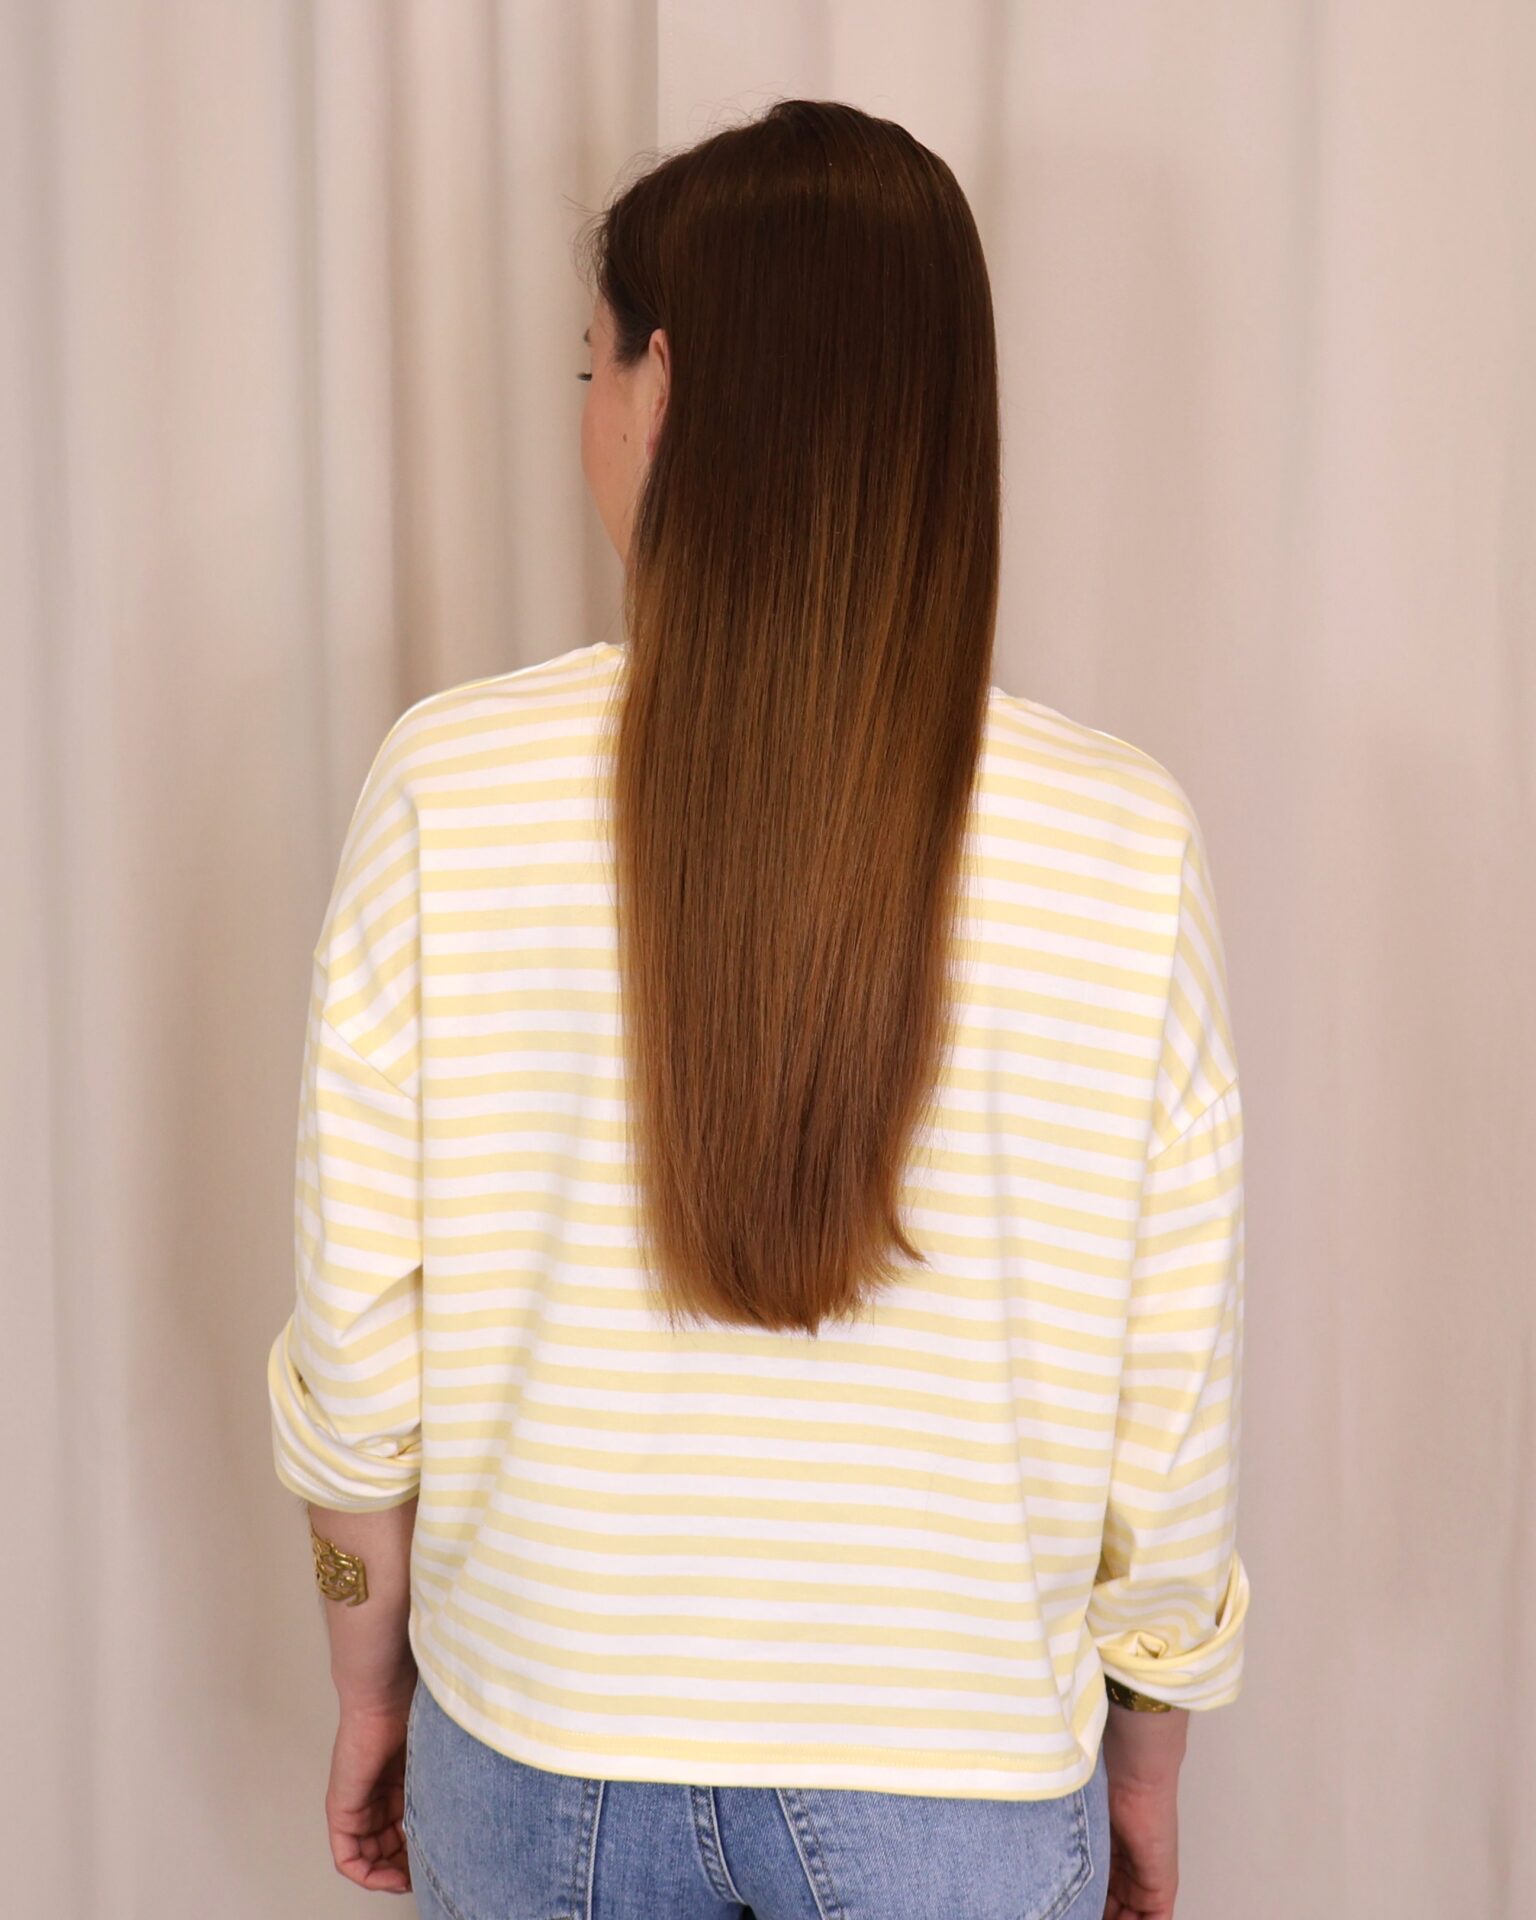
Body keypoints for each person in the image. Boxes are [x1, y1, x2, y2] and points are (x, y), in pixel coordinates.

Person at [267, 97, 1249, 1920]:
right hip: (958, 1781)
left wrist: (364, 1684)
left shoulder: (452, 788)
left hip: (542, 1747)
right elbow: (1168, 1411)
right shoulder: (1122, 840)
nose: (586, 412)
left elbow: (356, 1357)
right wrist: (1149, 1762)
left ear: (665, 387)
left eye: (591, 366)